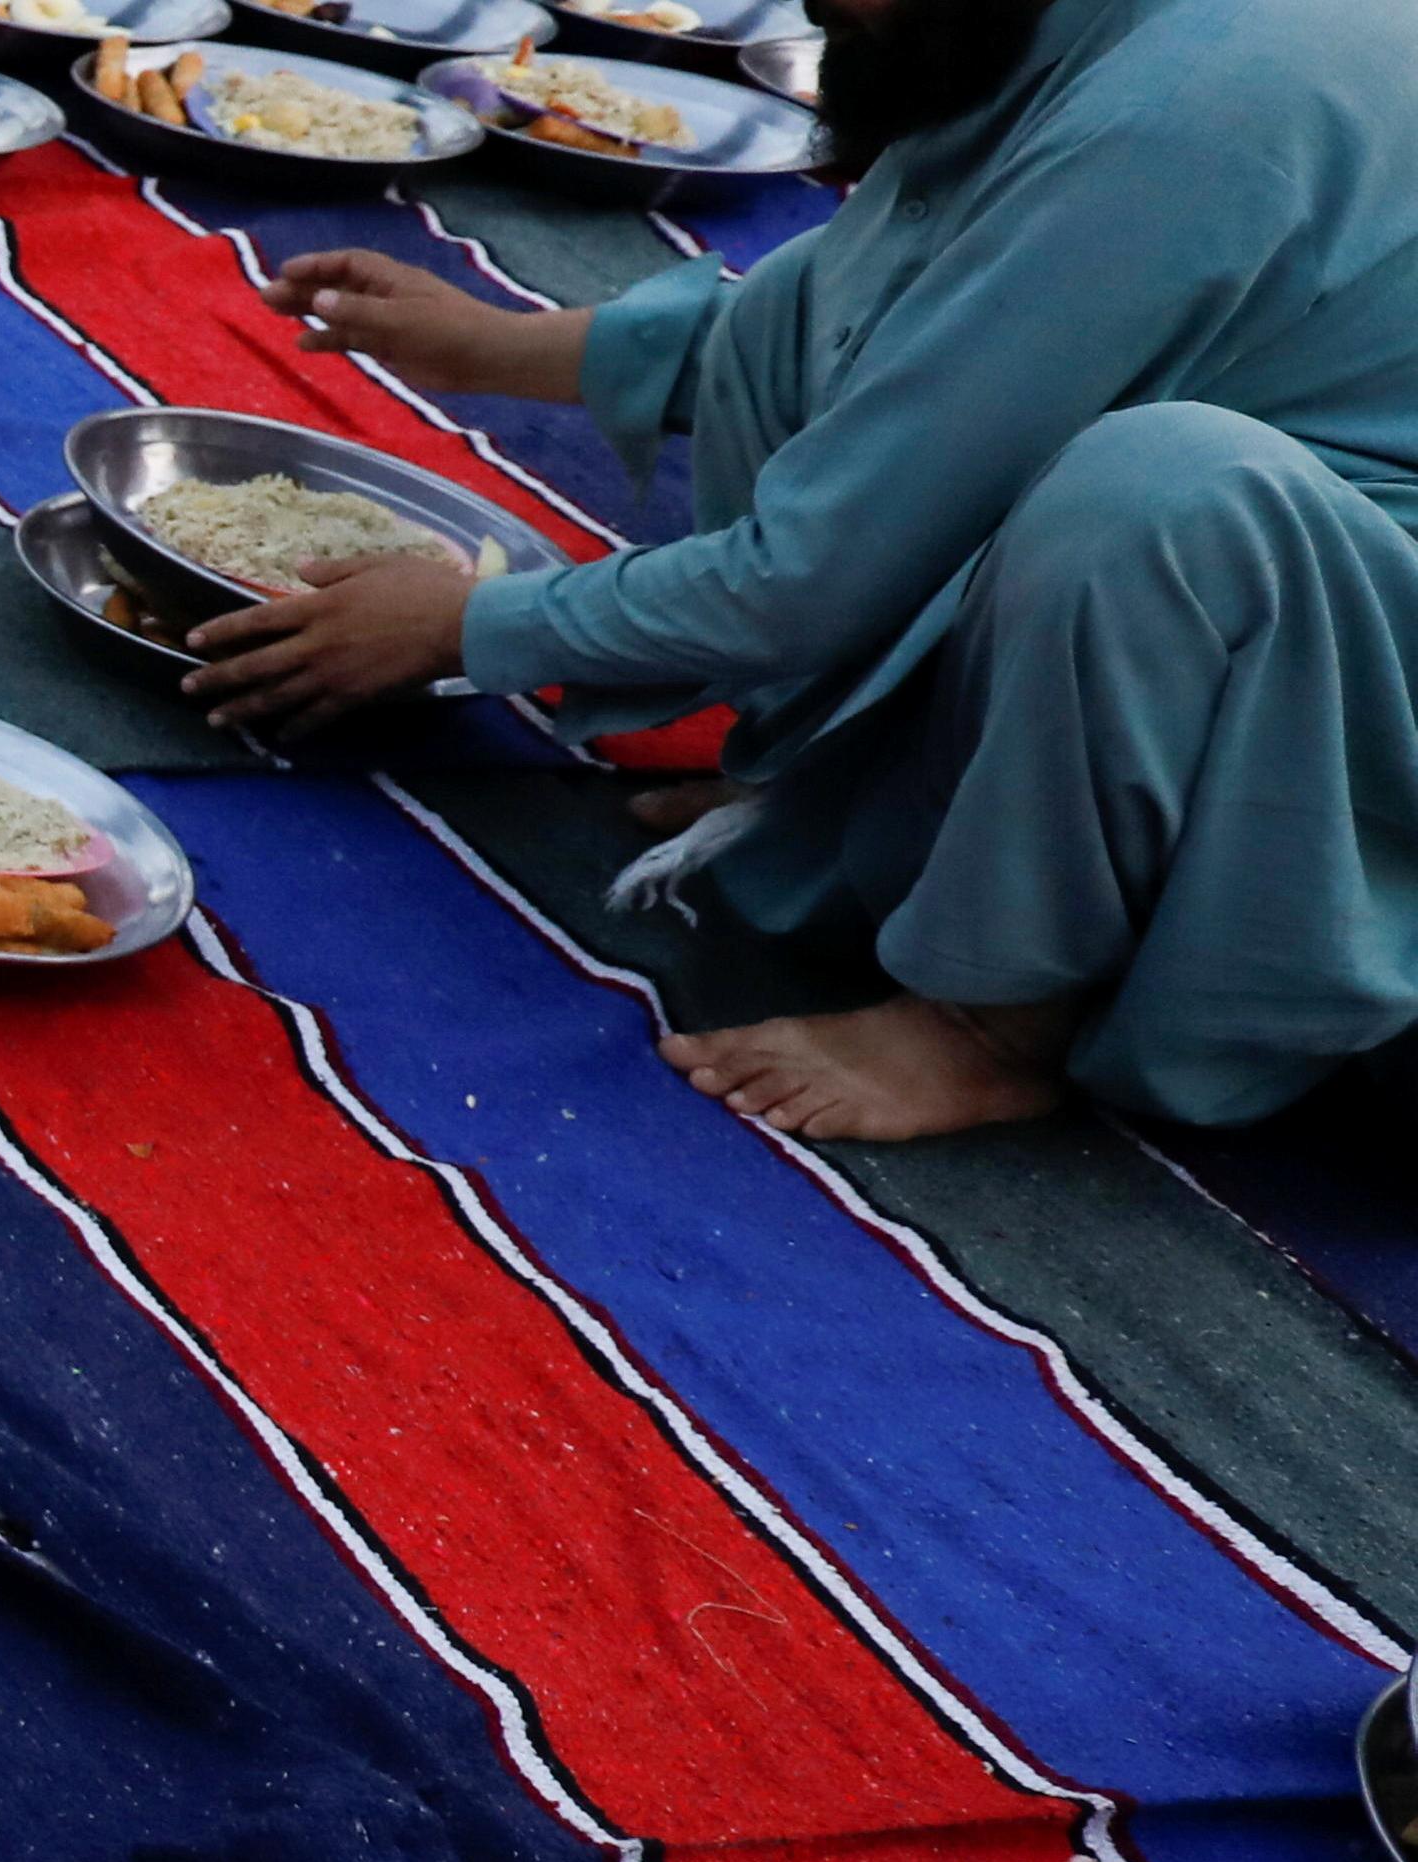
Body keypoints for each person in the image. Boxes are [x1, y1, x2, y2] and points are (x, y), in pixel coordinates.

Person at [184, 0, 1418, 1139]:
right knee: (855, 335)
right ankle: (855, 805)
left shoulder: (1189, 115)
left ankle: (995, 1019)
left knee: (1160, 493)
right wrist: (492, 345)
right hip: (1293, 560)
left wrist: (469, 628)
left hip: (1365, 730)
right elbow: (911, 317)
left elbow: (821, 568)